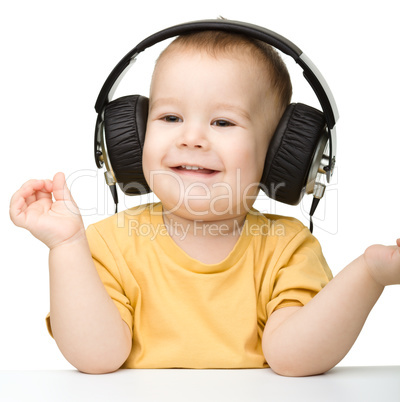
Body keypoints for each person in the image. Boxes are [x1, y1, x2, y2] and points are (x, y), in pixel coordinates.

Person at [9, 29, 400, 376]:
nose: (191, 138)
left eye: (223, 122)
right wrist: (66, 246)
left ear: (282, 154)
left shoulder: (287, 249)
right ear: (130, 139)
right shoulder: (110, 244)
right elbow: (96, 356)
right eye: (170, 117)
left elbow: (293, 358)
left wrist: (369, 274)